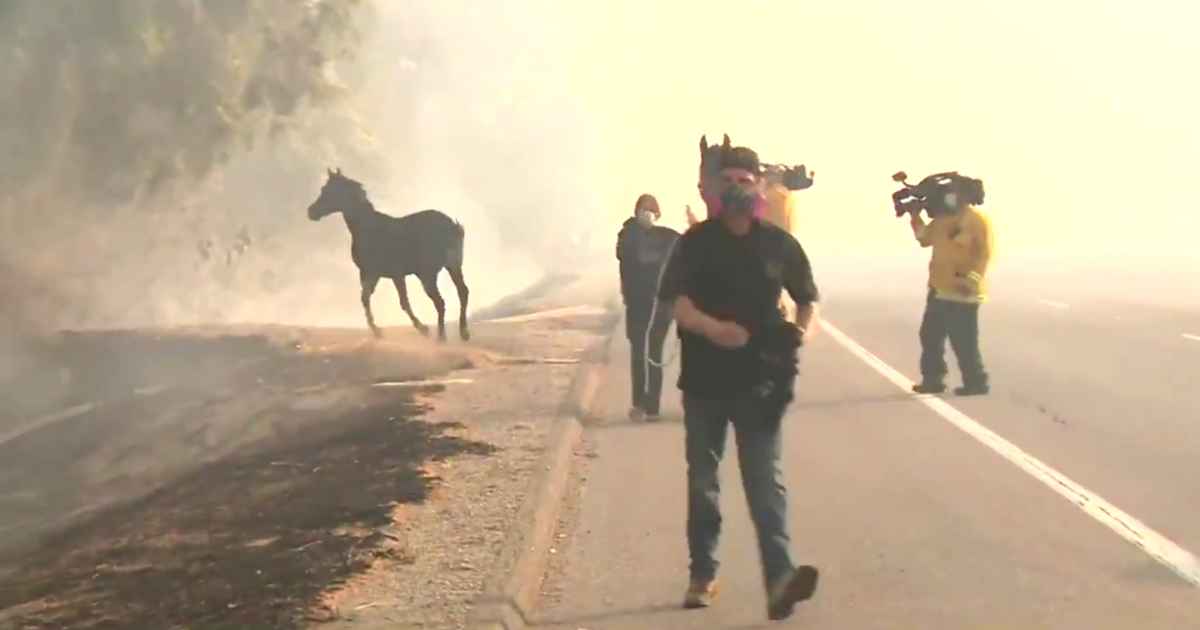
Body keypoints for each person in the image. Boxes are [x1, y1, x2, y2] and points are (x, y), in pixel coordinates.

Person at [657, 144, 821, 621]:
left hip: (761, 383)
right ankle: (702, 575)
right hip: (705, 383)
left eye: (745, 181)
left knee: (765, 485)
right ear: (713, 189)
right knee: (704, 482)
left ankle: (780, 580)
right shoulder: (694, 244)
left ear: (758, 187)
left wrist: (801, 334)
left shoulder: (779, 244)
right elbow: (678, 306)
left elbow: (808, 300)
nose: (737, 188)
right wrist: (714, 330)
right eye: (727, 180)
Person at [907, 179, 994, 396]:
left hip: (963, 293)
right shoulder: (942, 221)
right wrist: (914, 216)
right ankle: (933, 380)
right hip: (939, 290)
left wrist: (971, 281)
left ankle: (976, 382)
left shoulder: (975, 221)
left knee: (964, 341)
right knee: (930, 336)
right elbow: (924, 238)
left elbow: (983, 256)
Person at [616, 194, 680, 421]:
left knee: (654, 351)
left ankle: (651, 405)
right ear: (636, 212)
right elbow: (637, 257)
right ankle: (639, 403)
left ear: (659, 214)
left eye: (651, 209)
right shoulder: (627, 235)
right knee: (638, 353)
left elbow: (685, 247)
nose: (647, 213)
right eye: (643, 209)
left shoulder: (666, 236)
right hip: (637, 301)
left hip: (661, 303)